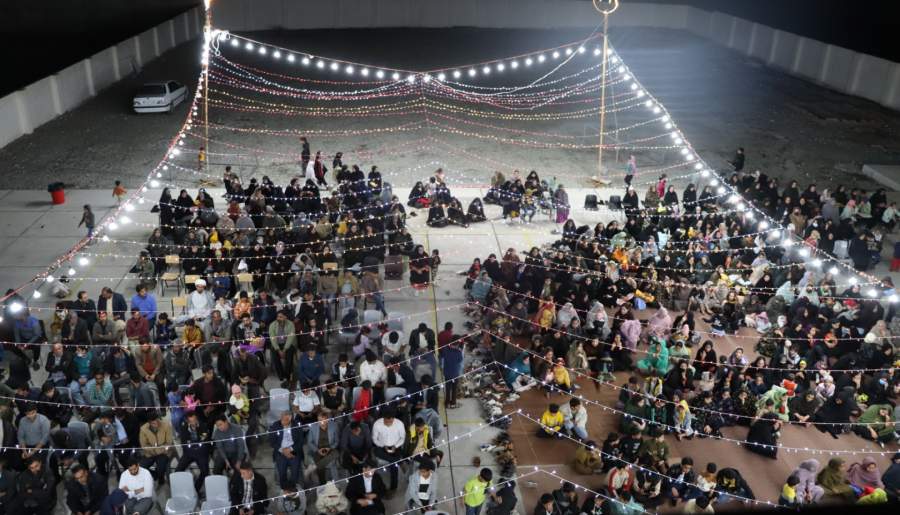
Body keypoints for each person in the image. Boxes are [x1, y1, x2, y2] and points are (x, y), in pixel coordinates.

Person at [372, 409, 405, 492]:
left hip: (396, 447)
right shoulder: (377, 424)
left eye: (390, 422)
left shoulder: (399, 424)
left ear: (393, 419)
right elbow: (374, 439)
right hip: (382, 447)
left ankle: (393, 488)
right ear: (383, 418)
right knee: (393, 461)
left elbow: (402, 438)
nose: (388, 423)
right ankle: (398, 461)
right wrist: (383, 446)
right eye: (386, 422)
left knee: (394, 465)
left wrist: (395, 446)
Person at [138, 413, 174, 484]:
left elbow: (169, 442)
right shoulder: (143, 429)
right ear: (149, 423)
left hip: (163, 452)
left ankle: (160, 476)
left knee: (161, 467)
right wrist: (152, 451)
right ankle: (155, 475)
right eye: (154, 423)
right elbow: (143, 445)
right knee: (141, 468)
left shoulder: (166, 426)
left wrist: (157, 451)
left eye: (157, 421)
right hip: (150, 453)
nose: (157, 424)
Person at [305, 410, 340, 485]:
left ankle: (315, 466)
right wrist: (317, 450)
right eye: (319, 420)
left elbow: (337, 441)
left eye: (323, 420)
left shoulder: (334, 426)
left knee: (336, 453)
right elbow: (310, 442)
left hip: (330, 449)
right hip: (317, 449)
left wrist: (329, 448)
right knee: (322, 460)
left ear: (327, 420)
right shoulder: (313, 427)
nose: (321, 423)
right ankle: (322, 484)